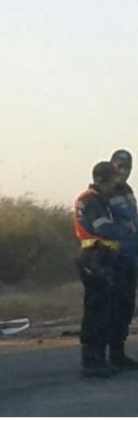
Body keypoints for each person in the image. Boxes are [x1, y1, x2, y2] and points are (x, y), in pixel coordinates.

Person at [74, 161, 131, 377]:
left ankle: (106, 358)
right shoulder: (91, 200)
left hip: (104, 258)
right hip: (95, 258)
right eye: (112, 180)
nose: (115, 184)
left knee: (108, 310)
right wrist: (125, 229)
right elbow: (103, 228)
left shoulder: (99, 199)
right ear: (102, 180)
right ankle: (92, 362)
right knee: (96, 312)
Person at [107, 149, 138, 370]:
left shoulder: (127, 191)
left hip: (131, 256)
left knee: (127, 307)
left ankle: (119, 353)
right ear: (112, 166)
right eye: (120, 166)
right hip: (114, 258)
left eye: (128, 167)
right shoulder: (105, 192)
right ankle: (110, 355)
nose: (124, 171)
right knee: (114, 307)